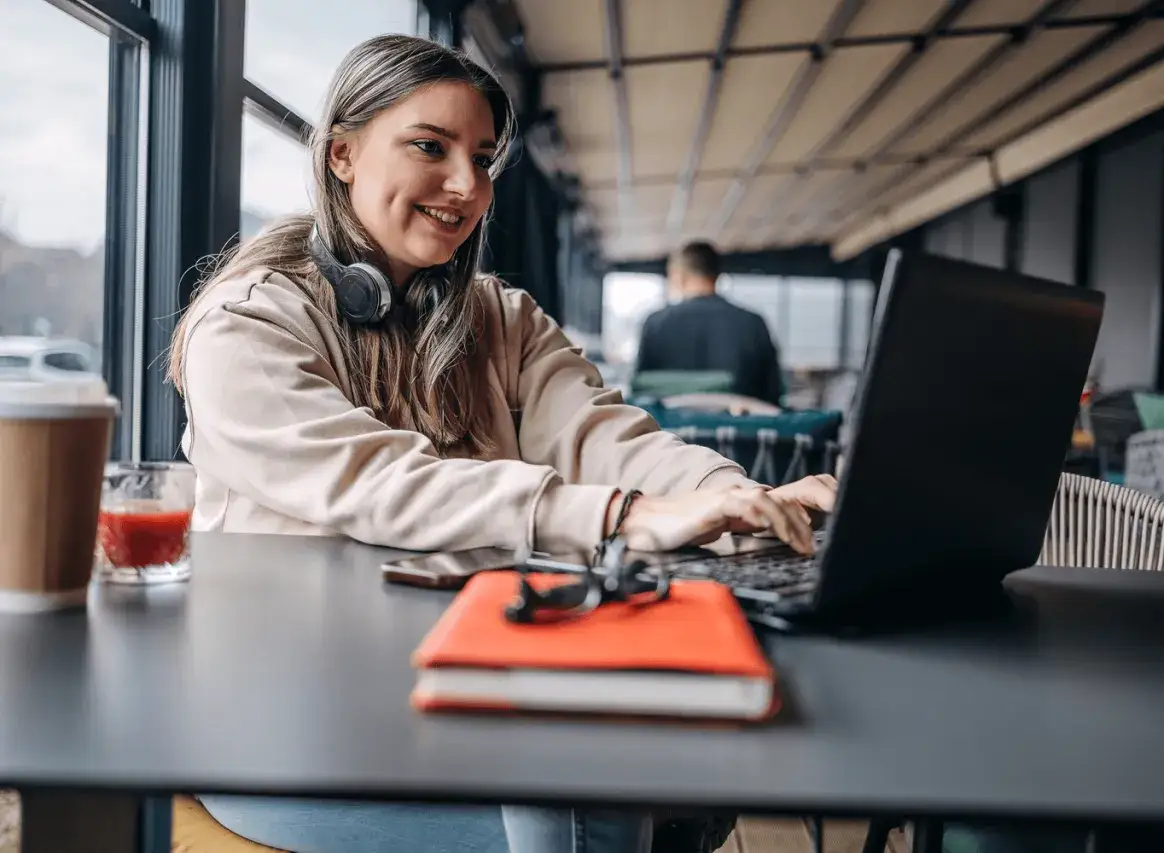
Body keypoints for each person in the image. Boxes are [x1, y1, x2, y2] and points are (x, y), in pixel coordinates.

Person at [168, 34, 835, 853]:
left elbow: (607, 436)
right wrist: (626, 516)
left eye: (482, 158)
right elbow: (384, 484)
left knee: (645, 773)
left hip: (468, 687)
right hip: (294, 721)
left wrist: (735, 495)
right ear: (341, 153)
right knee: (589, 799)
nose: (466, 185)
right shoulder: (247, 324)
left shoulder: (501, 318)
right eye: (429, 147)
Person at [634, 242, 784, 406]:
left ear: (678, 276)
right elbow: (773, 393)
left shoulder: (655, 323)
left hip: (667, 429)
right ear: (718, 274)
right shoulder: (753, 323)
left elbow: (640, 392)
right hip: (740, 428)